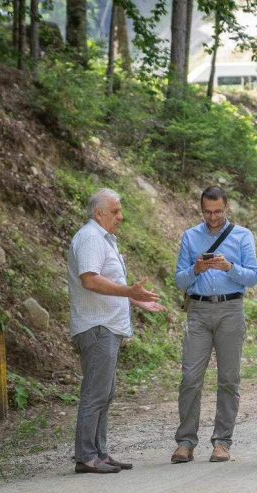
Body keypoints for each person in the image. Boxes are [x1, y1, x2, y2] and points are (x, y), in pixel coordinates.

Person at [68, 188, 166, 474]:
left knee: (105, 392)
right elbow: (90, 280)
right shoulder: (90, 237)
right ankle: (86, 457)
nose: (120, 216)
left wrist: (136, 299)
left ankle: (99, 453)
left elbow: (107, 283)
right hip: (98, 326)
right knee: (96, 392)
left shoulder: (102, 239)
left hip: (107, 326)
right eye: (115, 211)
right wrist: (128, 291)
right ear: (99, 213)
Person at [171, 186, 257, 463]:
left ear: (226, 208)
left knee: (229, 379)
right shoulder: (190, 236)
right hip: (198, 311)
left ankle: (222, 441)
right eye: (208, 212)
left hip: (231, 309)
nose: (213, 217)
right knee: (190, 378)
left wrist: (229, 267)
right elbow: (179, 280)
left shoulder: (242, 236)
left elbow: (253, 276)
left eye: (218, 211)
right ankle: (186, 441)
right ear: (201, 210)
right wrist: (195, 269)